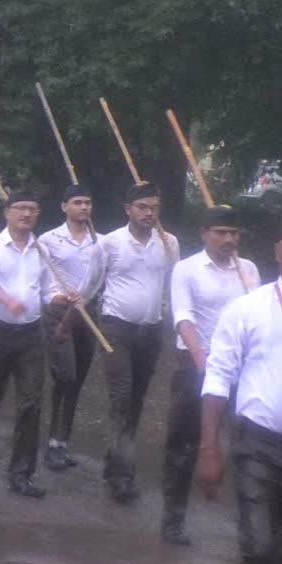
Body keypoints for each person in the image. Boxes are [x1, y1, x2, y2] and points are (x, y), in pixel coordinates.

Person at [197, 208, 282, 564]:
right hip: (260, 448)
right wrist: (210, 448)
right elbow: (218, 375)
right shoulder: (247, 309)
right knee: (259, 549)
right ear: (277, 253)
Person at [0, 191, 77, 498]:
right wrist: (8, 299)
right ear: (7, 213)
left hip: (31, 335)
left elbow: (48, 292)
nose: (26, 214)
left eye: (32, 208)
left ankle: (21, 474)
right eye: (20, 208)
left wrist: (64, 297)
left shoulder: (41, 250)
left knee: (31, 403)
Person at [160, 206, 259, 545]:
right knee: (185, 445)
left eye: (233, 233)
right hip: (196, 366)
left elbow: (255, 317)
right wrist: (202, 357)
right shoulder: (186, 269)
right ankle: (173, 518)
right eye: (220, 232)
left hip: (241, 371)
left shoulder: (247, 270)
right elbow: (183, 317)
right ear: (204, 234)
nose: (228, 239)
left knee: (248, 447)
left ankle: (253, 526)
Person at [99, 182, 180, 503]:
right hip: (116, 329)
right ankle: (123, 475)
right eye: (143, 207)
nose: (149, 214)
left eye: (155, 208)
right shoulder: (110, 243)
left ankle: (113, 462)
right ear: (128, 209)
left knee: (135, 401)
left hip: (151, 332)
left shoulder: (168, 242)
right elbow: (91, 283)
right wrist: (67, 321)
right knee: (121, 398)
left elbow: (175, 281)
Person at [38, 184, 105, 471]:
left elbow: (102, 278)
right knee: (65, 375)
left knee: (76, 381)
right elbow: (42, 279)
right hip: (59, 310)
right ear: (64, 206)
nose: (83, 207)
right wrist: (58, 297)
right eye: (77, 202)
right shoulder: (48, 240)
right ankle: (52, 442)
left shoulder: (102, 243)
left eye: (87, 202)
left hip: (88, 313)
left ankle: (61, 442)